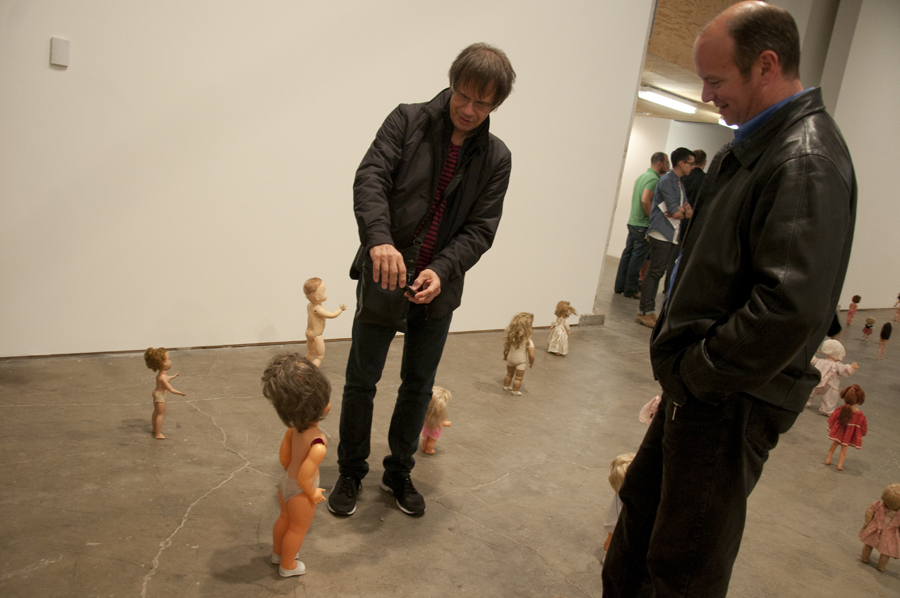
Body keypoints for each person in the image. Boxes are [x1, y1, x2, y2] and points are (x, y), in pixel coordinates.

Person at [602, 2, 857, 597]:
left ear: (766, 65)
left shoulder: (805, 160)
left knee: (683, 564)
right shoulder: (755, 148)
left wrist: (696, 372)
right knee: (639, 531)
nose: (706, 94)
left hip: (727, 401)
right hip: (698, 393)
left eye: (716, 80)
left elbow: (787, 309)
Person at [329, 43, 516, 519]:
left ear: (496, 104)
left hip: (438, 287)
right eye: (464, 96)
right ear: (452, 83)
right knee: (361, 380)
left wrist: (442, 269)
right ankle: (350, 470)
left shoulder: (496, 157)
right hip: (384, 272)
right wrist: (378, 239)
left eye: (483, 103)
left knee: (418, 386)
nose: (470, 109)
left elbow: (481, 228)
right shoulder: (407, 120)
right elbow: (370, 178)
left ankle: (399, 471)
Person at [262, 354, 330, 577]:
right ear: (322, 406)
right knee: (298, 529)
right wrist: (312, 493)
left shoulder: (292, 430)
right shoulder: (318, 443)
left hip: (286, 483)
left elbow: (284, 458)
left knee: (284, 518)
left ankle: (277, 554)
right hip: (301, 491)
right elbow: (305, 476)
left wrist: (289, 473)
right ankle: (288, 565)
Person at [635, 147, 695, 327]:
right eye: (690, 163)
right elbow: (675, 212)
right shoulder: (667, 180)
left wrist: (682, 211)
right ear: (681, 163)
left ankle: (649, 311)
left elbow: (687, 211)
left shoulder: (679, 183)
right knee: (654, 272)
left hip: (671, 234)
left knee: (658, 272)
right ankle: (644, 312)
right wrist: (681, 211)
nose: (692, 167)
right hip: (661, 233)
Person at [614, 152, 669, 299]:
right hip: (642, 224)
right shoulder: (654, 179)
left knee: (627, 255)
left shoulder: (642, 176)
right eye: (666, 163)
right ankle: (631, 289)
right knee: (637, 258)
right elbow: (645, 199)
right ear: (660, 163)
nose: (668, 166)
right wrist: (653, 219)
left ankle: (620, 286)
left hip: (633, 221)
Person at [143, 347, 186, 440]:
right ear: (164, 363)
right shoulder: (163, 378)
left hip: (157, 394)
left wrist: (174, 376)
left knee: (156, 412)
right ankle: (158, 433)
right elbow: (171, 389)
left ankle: (155, 429)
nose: (170, 362)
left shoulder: (162, 376)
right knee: (160, 414)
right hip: (160, 396)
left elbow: (167, 378)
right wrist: (180, 393)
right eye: (168, 359)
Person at [303, 277, 347, 367]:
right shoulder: (318, 309)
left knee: (311, 352)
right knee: (319, 356)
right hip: (316, 335)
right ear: (317, 297)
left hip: (308, 333)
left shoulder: (309, 306)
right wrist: (340, 309)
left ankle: (302, 366)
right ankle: (312, 370)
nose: (325, 293)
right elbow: (332, 315)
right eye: (323, 292)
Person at [502, 312, 535, 396]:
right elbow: (531, 355)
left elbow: (506, 348)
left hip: (510, 359)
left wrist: (505, 356)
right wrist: (531, 362)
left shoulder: (511, 338)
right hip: (520, 362)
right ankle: (515, 390)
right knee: (518, 378)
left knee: (509, 374)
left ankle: (506, 386)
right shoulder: (528, 341)